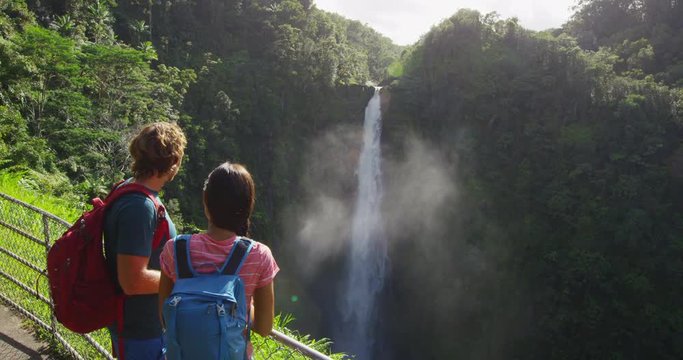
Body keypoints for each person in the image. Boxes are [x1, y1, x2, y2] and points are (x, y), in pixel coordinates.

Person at [158, 161, 279, 357]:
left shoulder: (175, 249)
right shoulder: (259, 255)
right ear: (247, 206)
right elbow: (264, 328)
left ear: (206, 205)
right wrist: (241, 309)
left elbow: (164, 316)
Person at [104, 122, 187, 359]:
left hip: (144, 326)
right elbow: (132, 281)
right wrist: (182, 277)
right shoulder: (139, 207)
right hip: (139, 330)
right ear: (173, 164)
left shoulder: (133, 191)